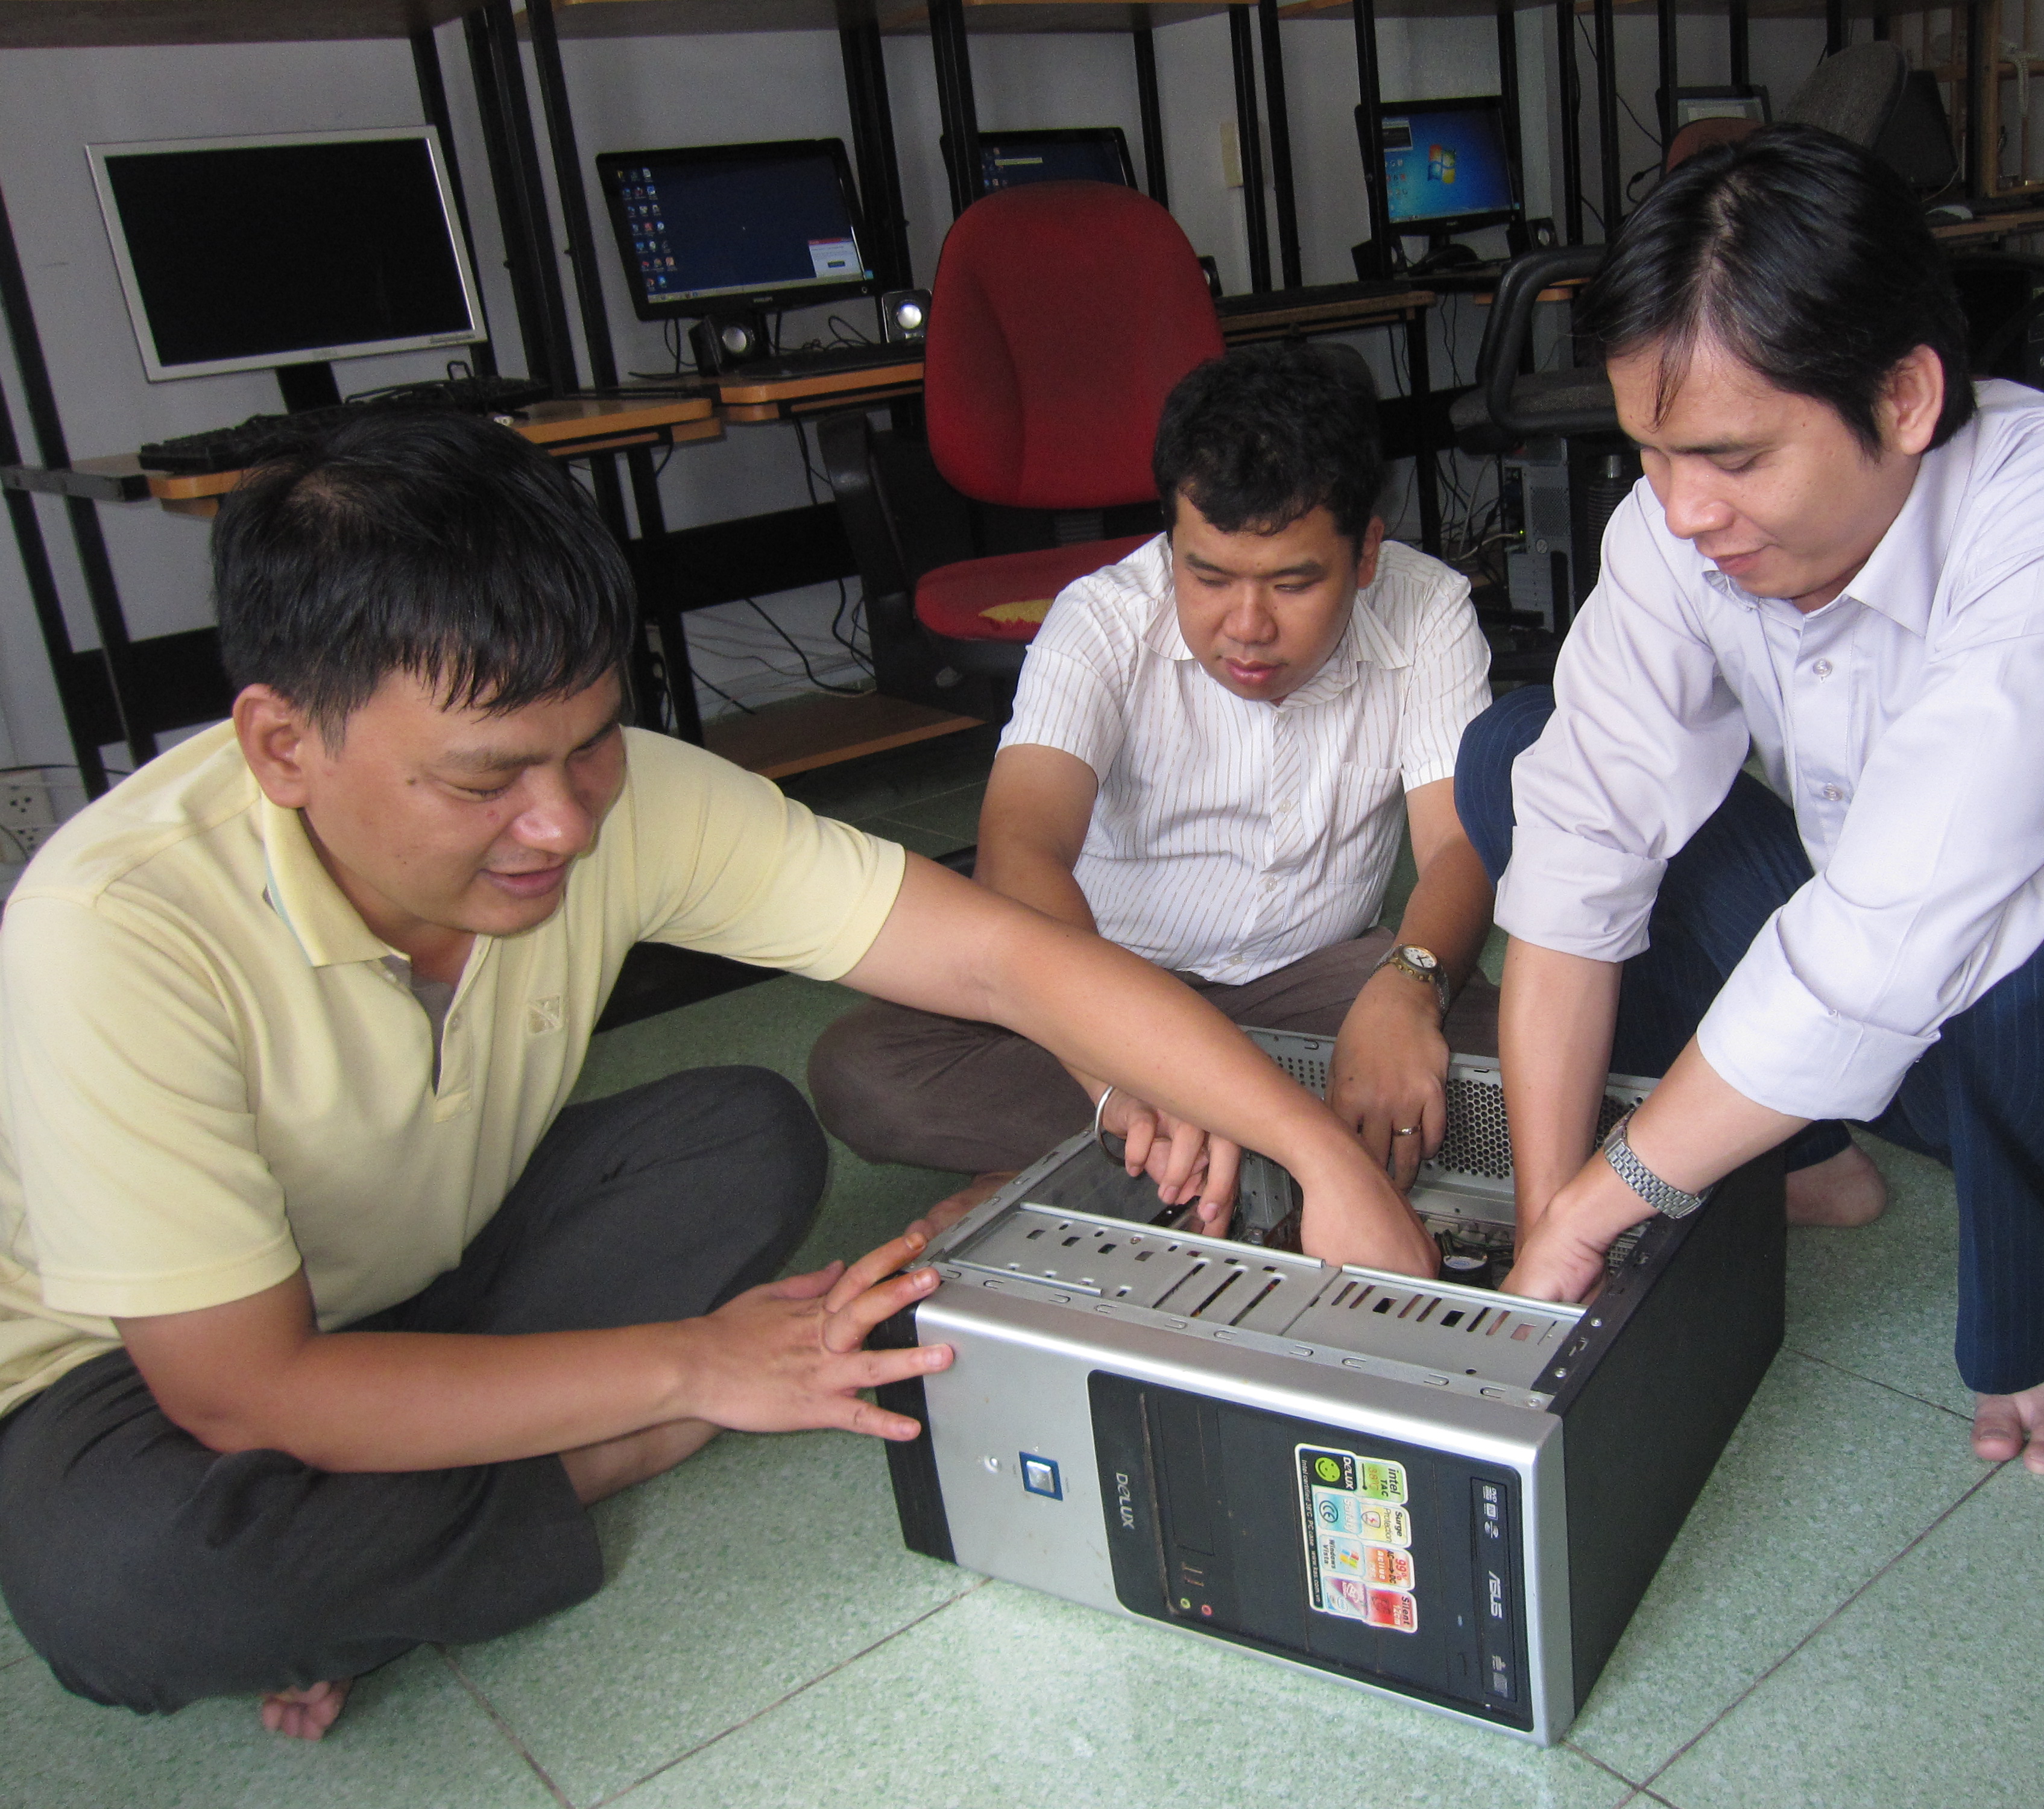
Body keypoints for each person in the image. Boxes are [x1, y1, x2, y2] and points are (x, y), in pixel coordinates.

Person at [0, 411, 1419, 1739]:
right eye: (482, 780)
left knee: (741, 1137)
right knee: (132, 1584)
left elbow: (998, 960)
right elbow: (243, 1395)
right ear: (281, 745)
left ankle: (400, 1540)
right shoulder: (113, 932)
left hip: (428, 1261)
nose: (558, 823)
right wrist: (699, 1372)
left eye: (591, 746)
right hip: (140, 1374)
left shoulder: (621, 797)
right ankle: (592, 1457)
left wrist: (1325, 1159)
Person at [1464, 126, 2044, 1478]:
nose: (1682, 514)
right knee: (1520, 755)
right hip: (1874, 991)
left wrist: (1622, 1188)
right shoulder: (1678, 527)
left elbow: (1909, 925)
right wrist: (1544, 1216)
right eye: (1650, 454)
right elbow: (1584, 839)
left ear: (1904, 400)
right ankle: (1799, 1152)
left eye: (1732, 457)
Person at [811, 341, 1497, 1217]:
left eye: (1293, 584)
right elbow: (1020, 849)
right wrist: (1126, 1068)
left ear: (1366, 554)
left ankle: (1122, 1156)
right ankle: (1214, 1128)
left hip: (1317, 983)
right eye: (1206, 577)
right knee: (866, 1072)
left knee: (1533, 1050)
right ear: (1172, 539)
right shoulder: (1101, 619)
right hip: (1105, 978)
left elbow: (1459, 846)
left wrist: (1411, 982)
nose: (1245, 628)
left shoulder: (1428, 606)